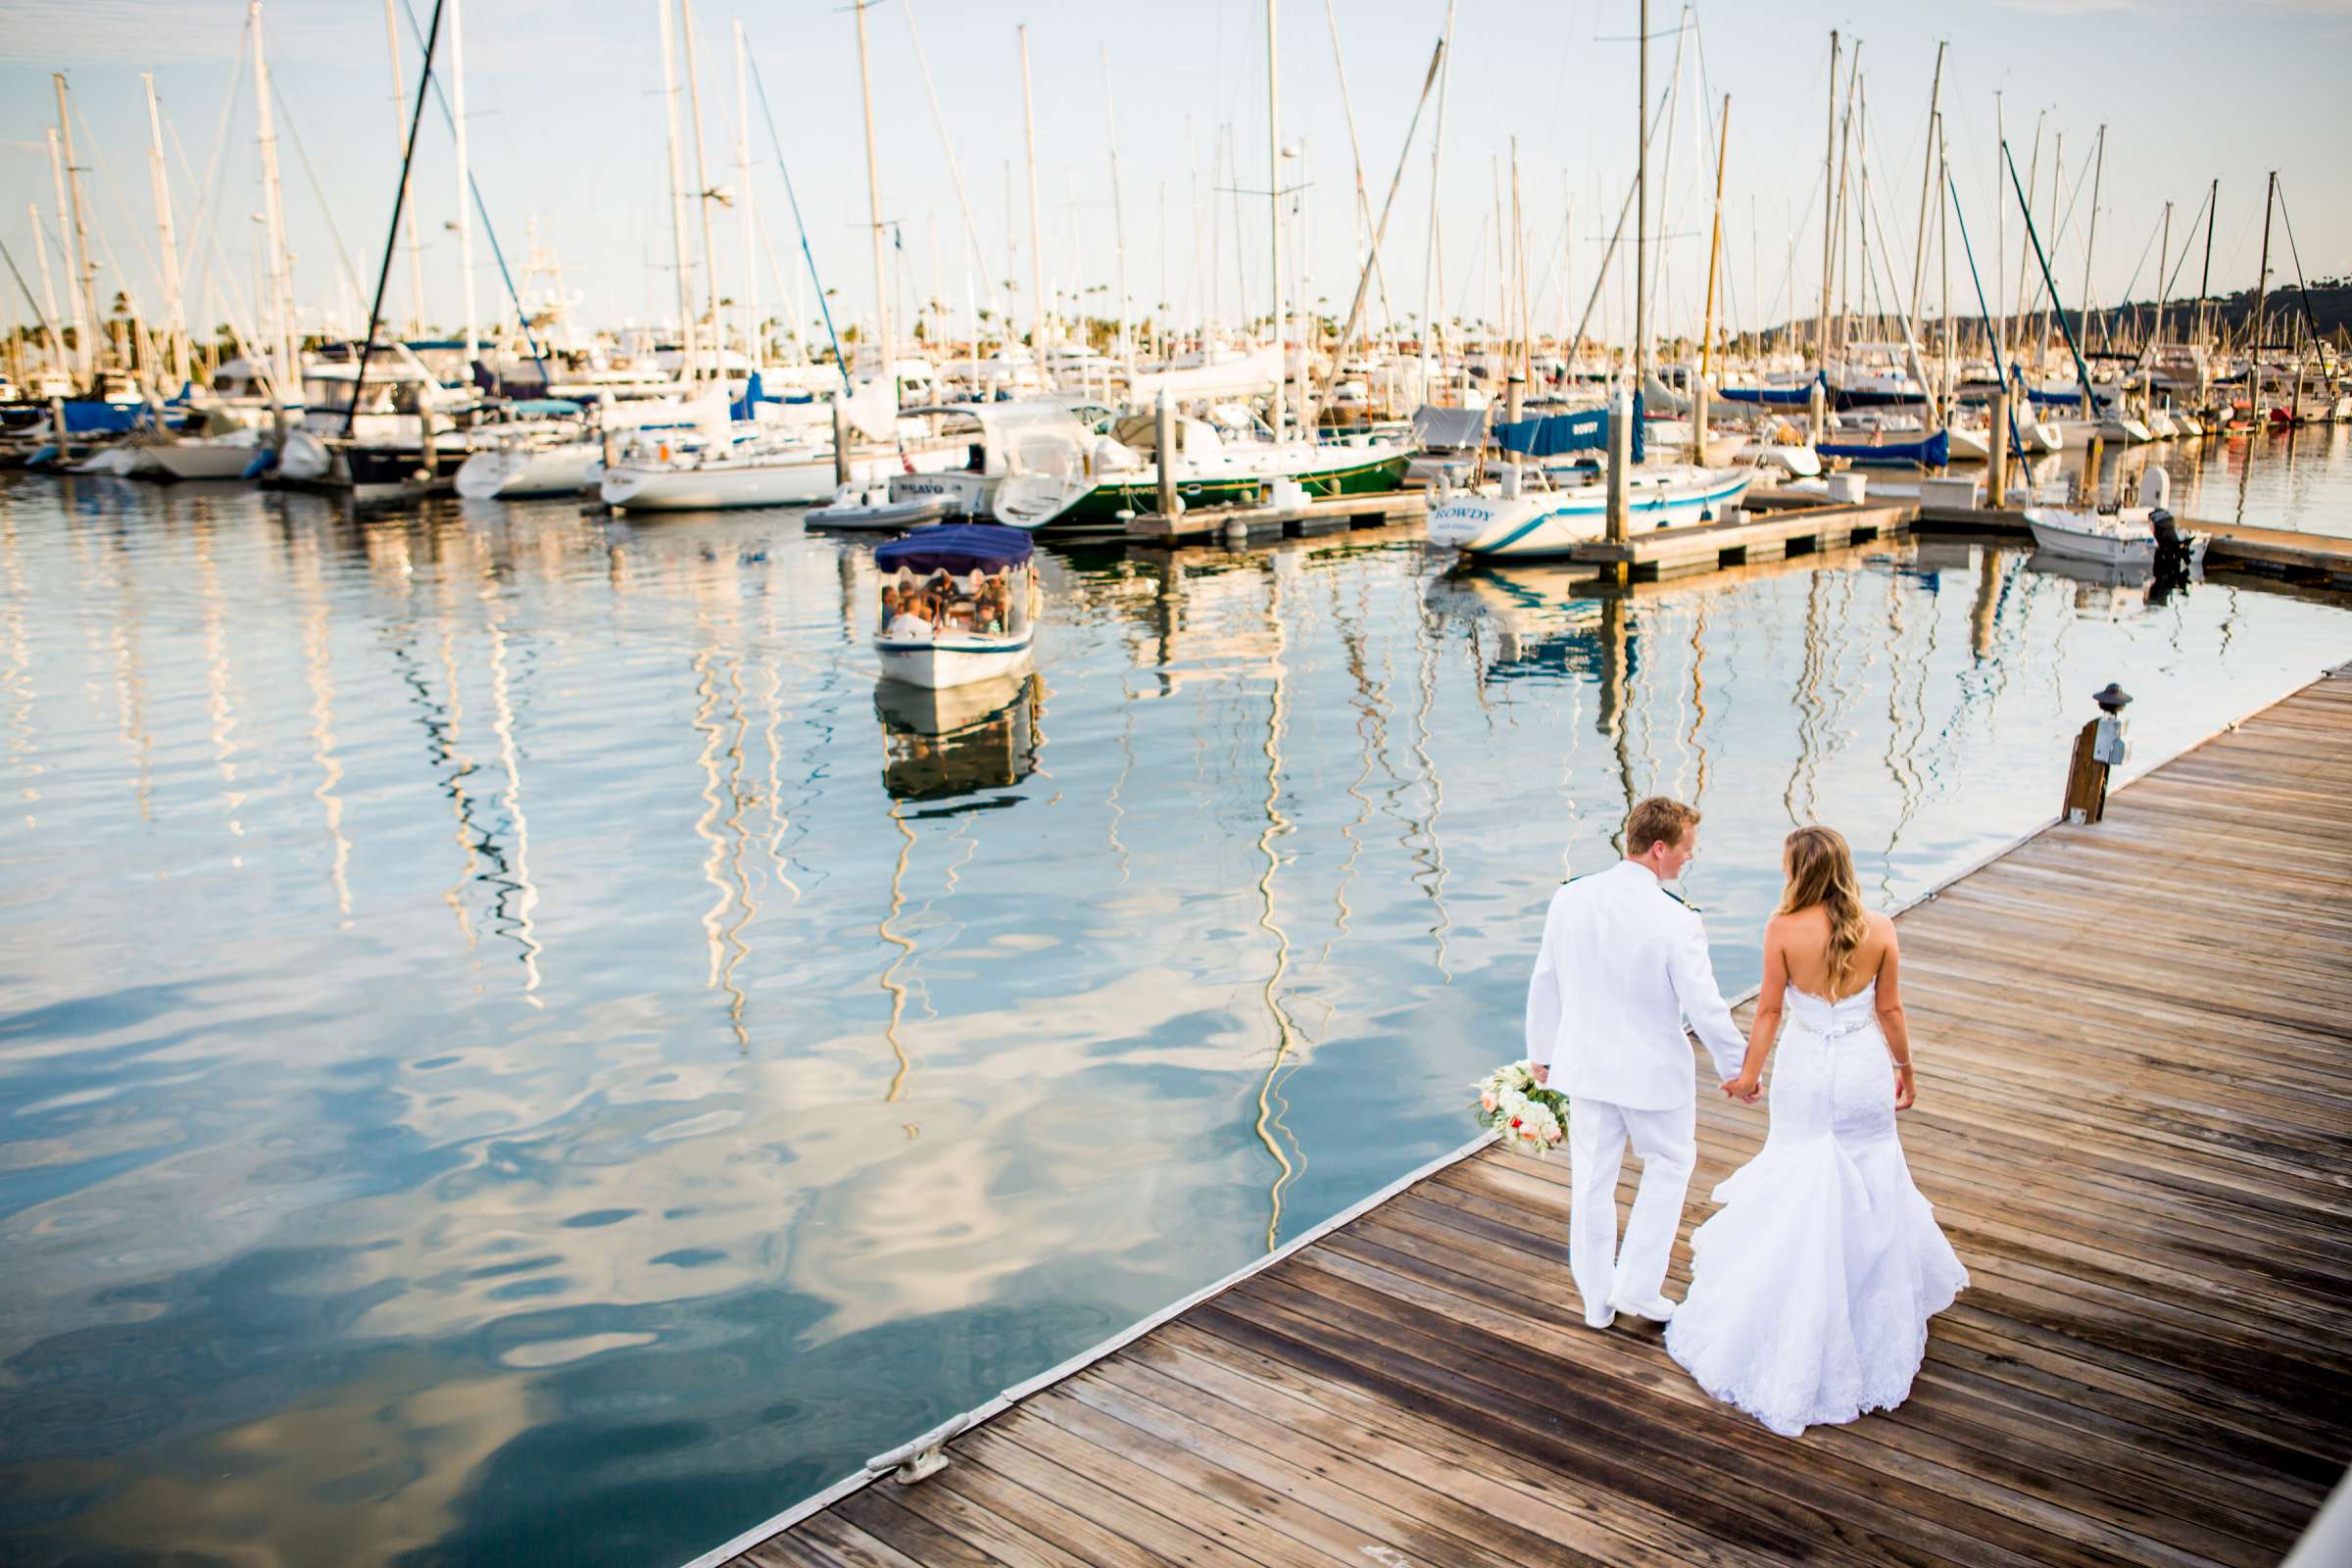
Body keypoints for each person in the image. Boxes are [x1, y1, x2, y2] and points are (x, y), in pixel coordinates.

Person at [1664, 825, 1968, 1438]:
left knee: (1798, 1176)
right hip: (1860, 1071)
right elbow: (1891, 1011)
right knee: (1873, 1178)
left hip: (1804, 1074)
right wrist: (1905, 1069)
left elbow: (1771, 1010)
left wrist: (1748, 1075)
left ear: (1797, 871)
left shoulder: (1782, 929)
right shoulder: (1879, 929)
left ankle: (1797, 1311)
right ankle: (1868, 1310)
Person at [1525, 797, 1748, 1330]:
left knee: (1593, 1181)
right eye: (1686, 850)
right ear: (1658, 849)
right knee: (1669, 1165)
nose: (1688, 860)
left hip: (1583, 1066)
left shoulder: (1569, 898)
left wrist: (1542, 1052)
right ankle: (1638, 1288)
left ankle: (1597, 1301)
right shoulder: (1676, 919)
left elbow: (1546, 978)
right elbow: (1706, 1006)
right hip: (1652, 1076)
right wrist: (1738, 1068)